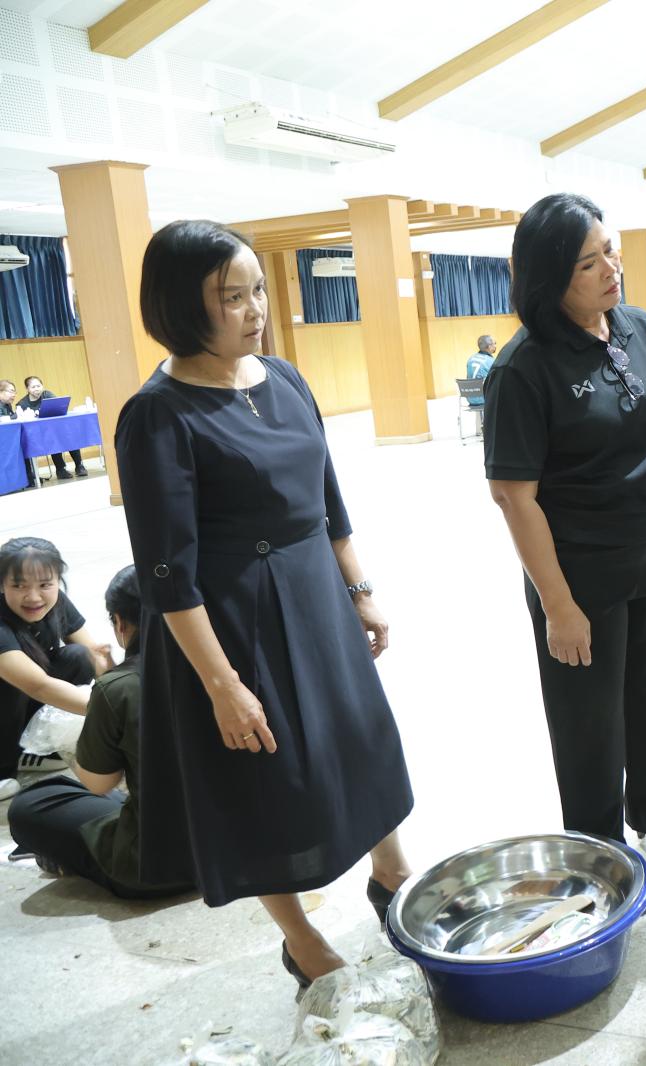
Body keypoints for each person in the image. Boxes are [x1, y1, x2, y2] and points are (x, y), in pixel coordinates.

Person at [115, 219, 414, 990]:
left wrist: (359, 589)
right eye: (232, 298)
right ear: (182, 305)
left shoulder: (283, 377)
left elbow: (327, 496)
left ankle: (392, 873)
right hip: (232, 621)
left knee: (360, 739)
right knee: (268, 780)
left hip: (315, 594)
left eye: (257, 291)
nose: (255, 310)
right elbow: (165, 572)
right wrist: (222, 685)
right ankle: (300, 938)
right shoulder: (159, 413)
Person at [484, 193, 646, 862]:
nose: (612, 269)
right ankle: (599, 849)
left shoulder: (640, 328)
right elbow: (514, 497)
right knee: (589, 724)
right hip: (580, 575)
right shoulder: (524, 368)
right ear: (550, 278)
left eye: (610, 251)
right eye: (589, 263)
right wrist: (558, 606)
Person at [9, 565, 193, 898]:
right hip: (239, 848)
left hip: (159, 867)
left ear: (120, 623)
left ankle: (79, 861)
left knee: (31, 804)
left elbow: (99, 783)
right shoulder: (232, 666)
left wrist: (92, 730)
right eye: (21, 585)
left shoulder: (118, 688)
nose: (33, 595)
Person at [0, 537, 113, 797]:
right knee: (12, 681)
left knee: (79, 656)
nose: (33, 597)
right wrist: (116, 712)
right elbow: (38, 686)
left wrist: (126, 690)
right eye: (19, 585)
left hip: (24, 699)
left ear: (57, 580)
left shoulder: (57, 601)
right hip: (13, 693)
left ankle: (35, 750)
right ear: (2, 585)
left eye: (45, 584)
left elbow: (94, 654)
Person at [18, 376, 86, 480]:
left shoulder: (47, 395)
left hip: (55, 430)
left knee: (68, 435)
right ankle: (60, 469)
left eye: (38, 386)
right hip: (38, 434)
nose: (36, 389)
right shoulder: (22, 403)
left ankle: (79, 465)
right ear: (27, 389)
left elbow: (58, 408)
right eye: (33, 387)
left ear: (42, 386)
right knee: (53, 438)